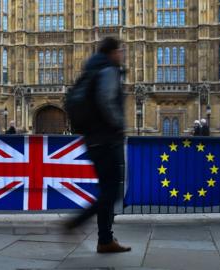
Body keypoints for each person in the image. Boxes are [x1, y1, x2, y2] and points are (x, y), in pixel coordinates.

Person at [64, 37, 131, 253]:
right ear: (112, 52)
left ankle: (105, 240)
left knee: (107, 189)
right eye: (120, 50)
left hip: (93, 139)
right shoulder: (108, 70)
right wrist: (119, 124)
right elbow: (106, 100)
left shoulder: (91, 69)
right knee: (112, 191)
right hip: (107, 139)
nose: (122, 54)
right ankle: (78, 222)